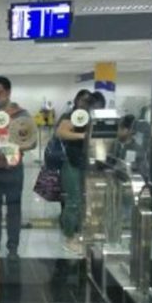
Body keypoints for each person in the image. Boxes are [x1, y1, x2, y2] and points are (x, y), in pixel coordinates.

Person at [0, 76, 34, 258]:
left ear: (8, 92)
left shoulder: (21, 115)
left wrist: (10, 147)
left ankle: (13, 248)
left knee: (13, 209)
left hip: (12, 169)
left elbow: (31, 142)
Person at [56, 89, 93, 253]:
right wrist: (83, 136)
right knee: (73, 201)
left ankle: (79, 234)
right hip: (71, 163)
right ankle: (69, 236)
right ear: (76, 100)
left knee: (85, 202)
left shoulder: (92, 117)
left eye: (88, 101)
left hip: (90, 164)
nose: (84, 103)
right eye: (82, 100)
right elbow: (61, 132)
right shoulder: (69, 116)